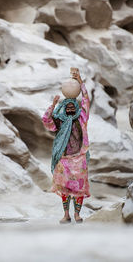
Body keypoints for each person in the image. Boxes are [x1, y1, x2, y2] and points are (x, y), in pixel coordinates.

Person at [42, 68, 90, 224]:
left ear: (76, 109)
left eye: (72, 107)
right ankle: (66, 215)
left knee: (79, 189)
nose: (70, 109)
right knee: (65, 188)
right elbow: (46, 120)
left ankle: (77, 215)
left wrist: (81, 83)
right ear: (64, 108)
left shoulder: (81, 119)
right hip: (64, 159)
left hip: (80, 158)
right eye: (67, 107)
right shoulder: (59, 121)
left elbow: (86, 100)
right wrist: (54, 104)